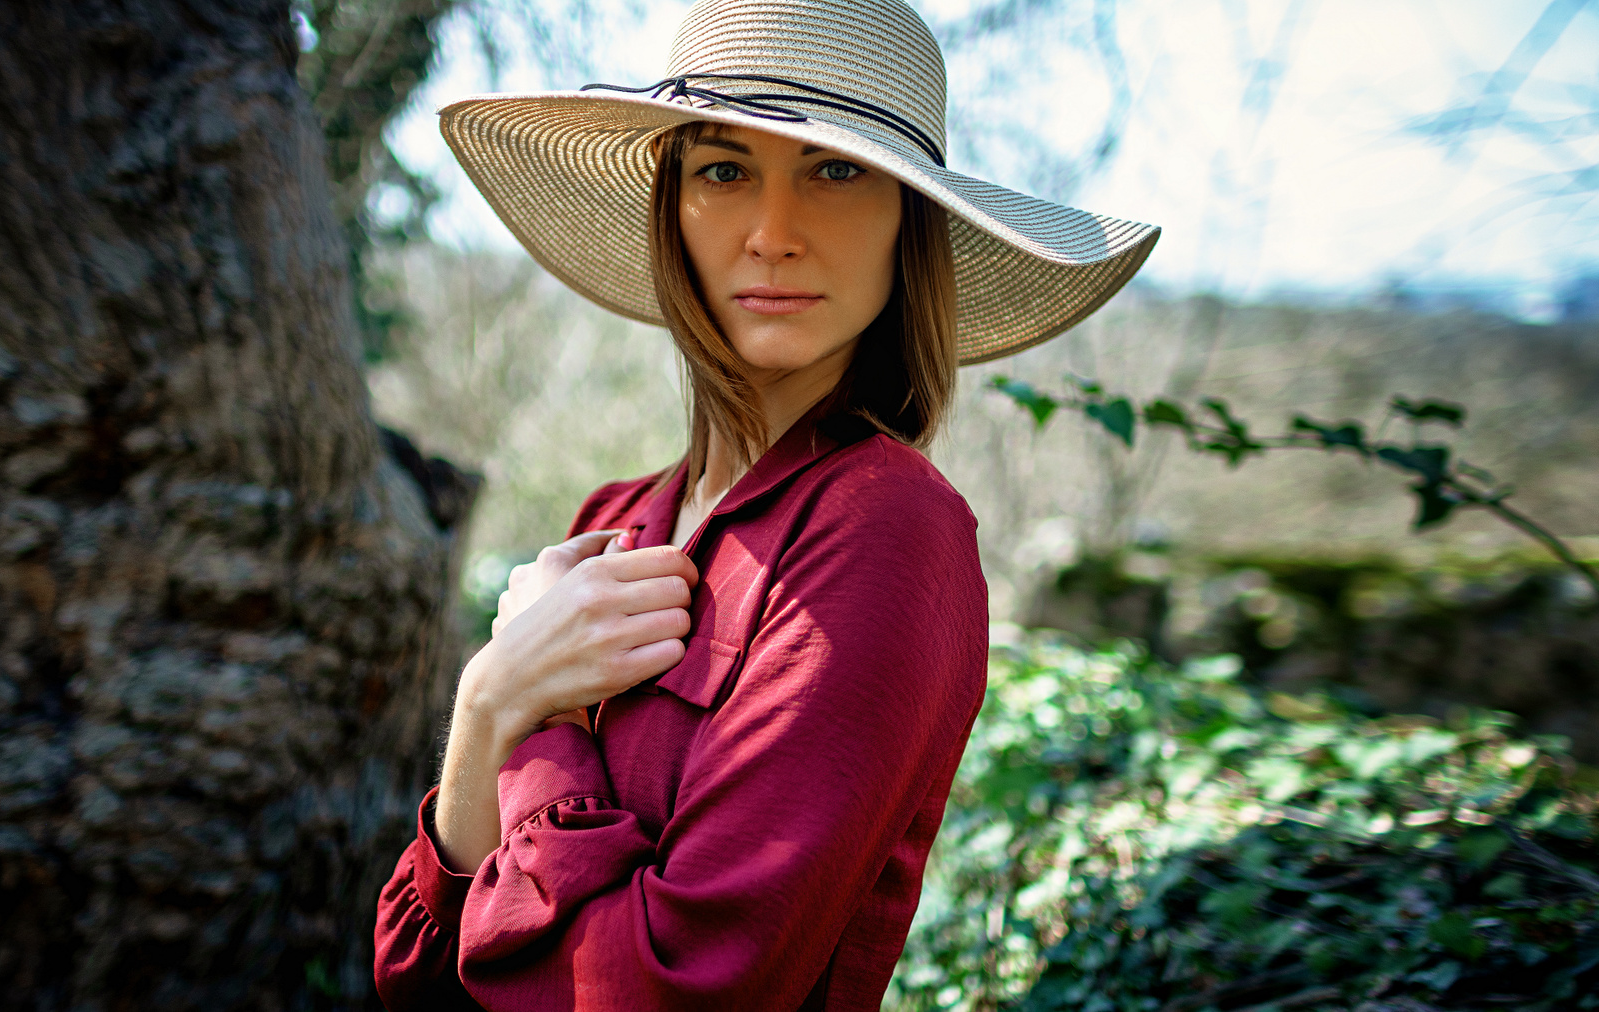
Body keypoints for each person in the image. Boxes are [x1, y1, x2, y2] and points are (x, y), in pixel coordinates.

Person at [372, 0, 1159, 1007]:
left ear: (907, 223)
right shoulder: (615, 519)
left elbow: (669, 990)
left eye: (836, 172)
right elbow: (418, 981)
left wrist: (541, 716)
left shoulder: (885, 527)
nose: (773, 235)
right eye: (723, 170)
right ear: (671, 207)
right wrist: (488, 702)